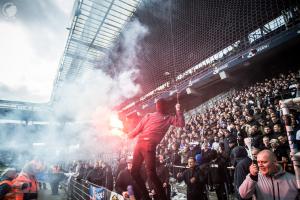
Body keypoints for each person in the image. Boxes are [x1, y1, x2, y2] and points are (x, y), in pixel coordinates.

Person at [128, 99, 185, 200]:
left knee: (147, 173)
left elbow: (181, 124)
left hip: (144, 145)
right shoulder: (153, 116)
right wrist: (178, 110)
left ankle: (156, 197)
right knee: (141, 173)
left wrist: (178, 110)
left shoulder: (166, 118)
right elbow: (137, 129)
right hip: (142, 145)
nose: (159, 107)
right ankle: (147, 196)